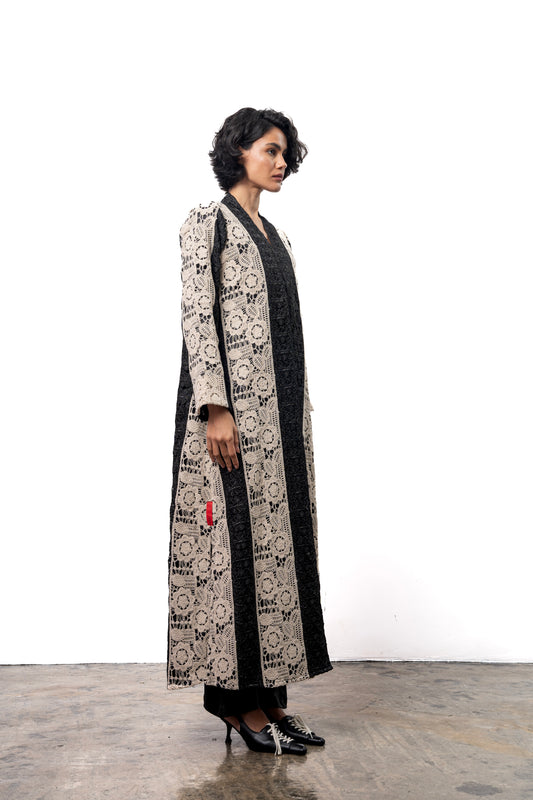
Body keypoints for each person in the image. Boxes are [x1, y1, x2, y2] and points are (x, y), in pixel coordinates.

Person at [167, 107, 332, 756]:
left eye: (286, 153)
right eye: (271, 150)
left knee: (276, 558)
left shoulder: (277, 236)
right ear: (238, 151)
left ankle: (273, 702)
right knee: (232, 556)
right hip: (230, 421)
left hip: (280, 425)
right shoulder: (206, 223)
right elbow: (197, 314)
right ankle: (239, 707)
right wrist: (215, 407)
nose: (282, 162)